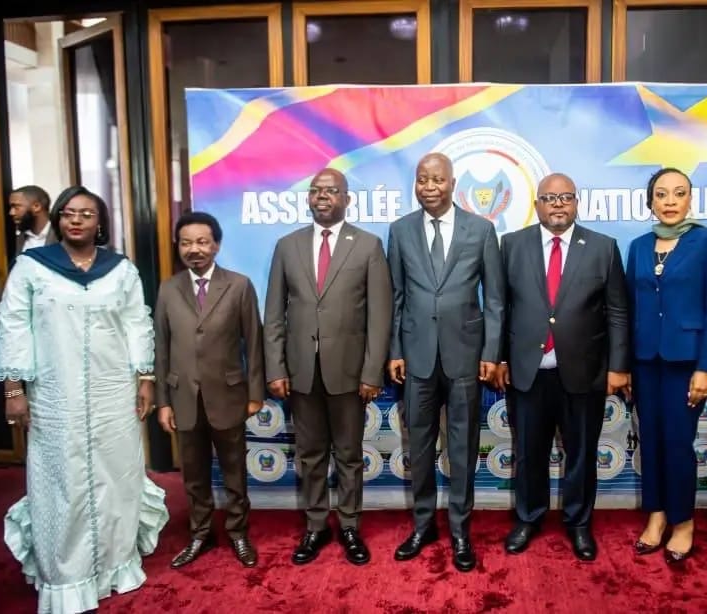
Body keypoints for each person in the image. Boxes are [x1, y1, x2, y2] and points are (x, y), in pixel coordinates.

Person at [0, 186, 168, 614]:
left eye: (86, 214)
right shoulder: (32, 267)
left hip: (113, 393)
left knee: (116, 477)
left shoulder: (120, 270)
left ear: (99, 222)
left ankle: (115, 565)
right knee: (61, 481)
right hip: (55, 394)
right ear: (57, 218)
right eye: (69, 213)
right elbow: (14, 326)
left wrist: (145, 378)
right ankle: (65, 579)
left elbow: (136, 323)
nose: (76, 220)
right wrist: (13, 389)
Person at [496, 173, 631, 561]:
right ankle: (528, 518)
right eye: (549, 198)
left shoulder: (603, 247)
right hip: (528, 371)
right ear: (536, 204)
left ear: (576, 203)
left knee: (582, 453)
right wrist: (500, 357)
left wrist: (618, 366)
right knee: (529, 453)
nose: (557, 204)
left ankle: (579, 523)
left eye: (565, 197)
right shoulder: (512, 244)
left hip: (584, 373)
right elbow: (500, 307)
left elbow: (617, 311)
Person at [264, 168, 392, 566]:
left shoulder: (368, 246)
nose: (322, 196)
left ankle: (350, 525)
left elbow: (380, 317)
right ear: (308, 198)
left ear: (346, 199)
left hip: (350, 375)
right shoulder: (287, 246)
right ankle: (316, 525)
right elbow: (274, 314)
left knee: (350, 455)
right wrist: (275, 368)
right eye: (316, 190)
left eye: (331, 190)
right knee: (311, 454)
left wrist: (372, 372)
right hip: (301, 372)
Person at [387, 152, 504, 572]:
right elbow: (395, 296)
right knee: (418, 446)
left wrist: (491, 352)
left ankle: (460, 530)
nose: (430, 187)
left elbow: (494, 299)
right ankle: (423, 525)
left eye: (437, 179)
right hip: (416, 357)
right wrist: (395, 350)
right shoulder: (400, 230)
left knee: (462, 446)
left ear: (453, 184)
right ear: (415, 184)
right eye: (423, 179)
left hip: (465, 357)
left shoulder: (481, 229)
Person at [625, 168, 707, 564]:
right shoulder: (638, 246)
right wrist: (625, 364)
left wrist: (706, 367)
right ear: (650, 201)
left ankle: (683, 522)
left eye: (679, 193)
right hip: (645, 362)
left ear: (690, 199)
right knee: (651, 441)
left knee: (677, 442)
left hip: (686, 363)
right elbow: (630, 308)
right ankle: (656, 516)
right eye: (661, 194)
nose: (670, 201)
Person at [154, 211, 264, 569]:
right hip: (183, 397)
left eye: (202, 242)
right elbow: (161, 349)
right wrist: (163, 402)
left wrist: (255, 393)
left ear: (216, 245)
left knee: (234, 471)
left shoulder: (239, 285)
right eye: (186, 243)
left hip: (229, 395)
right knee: (193, 474)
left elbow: (254, 343)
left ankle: (238, 533)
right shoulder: (168, 289)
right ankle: (200, 533)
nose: (194, 249)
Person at [10, 185, 57, 254]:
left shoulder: (63, 236)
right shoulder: (18, 240)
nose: (11, 213)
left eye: (16, 207)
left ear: (36, 207)